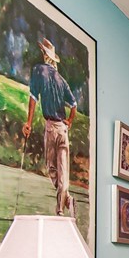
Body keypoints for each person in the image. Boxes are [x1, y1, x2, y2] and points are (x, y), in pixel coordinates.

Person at [22, 38, 78, 218]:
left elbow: (33, 98)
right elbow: (74, 104)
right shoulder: (61, 80)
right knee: (64, 169)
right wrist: (69, 120)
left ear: (44, 55)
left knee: (51, 167)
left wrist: (29, 122)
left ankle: (64, 201)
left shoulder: (38, 70)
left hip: (52, 127)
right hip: (63, 129)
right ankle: (64, 203)